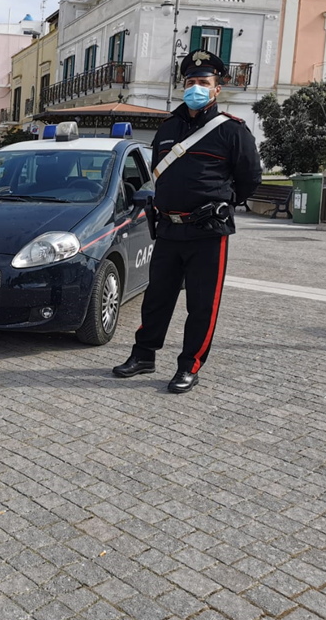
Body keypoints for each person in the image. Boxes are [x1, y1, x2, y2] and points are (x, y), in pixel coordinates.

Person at [112, 49, 262, 394]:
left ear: (217, 88)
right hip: (168, 228)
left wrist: (221, 202)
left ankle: (189, 365)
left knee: (202, 305)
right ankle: (144, 355)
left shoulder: (232, 131)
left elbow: (250, 178)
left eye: (204, 82)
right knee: (156, 298)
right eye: (191, 81)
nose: (196, 87)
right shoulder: (168, 128)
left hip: (208, 232)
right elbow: (158, 171)